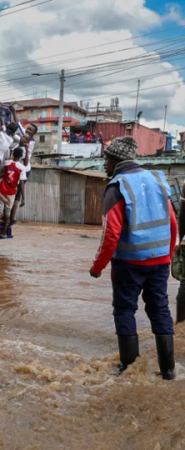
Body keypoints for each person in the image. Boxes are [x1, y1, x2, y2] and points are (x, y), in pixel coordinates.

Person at [89, 137, 176, 380]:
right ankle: (169, 372)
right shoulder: (158, 180)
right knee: (160, 309)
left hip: (128, 262)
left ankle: (129, 371)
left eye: (105, 159)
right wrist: (167, 256)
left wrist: (97, 267)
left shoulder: (117, 186)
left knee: (125, 310)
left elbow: (111, 234)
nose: (104, 165)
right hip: (159, 260)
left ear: (114, 159)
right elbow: (172, 223)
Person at [0, 148, 25, 239]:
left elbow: (2, 171)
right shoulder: (22, 167)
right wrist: (23, 198)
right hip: (11, 191)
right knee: (7, 212)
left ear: (13, 154)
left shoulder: (6, 162)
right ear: (21, 156)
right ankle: (3, 233)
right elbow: (21, 183)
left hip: (1, 188)